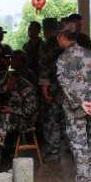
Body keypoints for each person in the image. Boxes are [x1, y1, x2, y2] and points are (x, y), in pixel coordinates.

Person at [56, 29, 91, 182]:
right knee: (90, 139)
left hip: (75, 108)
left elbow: (64, 84)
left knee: (79, 143)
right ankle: (88, 173)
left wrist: (79, 103)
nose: (57, 40)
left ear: (63, 38)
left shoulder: (63, 58)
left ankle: (83, 180)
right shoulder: (90, 54)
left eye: (58, 38)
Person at [38, 17, 64, 161]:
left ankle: (54, 151)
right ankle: (73, 149)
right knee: (66, 119)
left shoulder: (47, 45)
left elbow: (44, 69)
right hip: (67, 89)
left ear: (45, 30)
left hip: (53, 88)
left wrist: (45, 91)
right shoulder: (64, 43)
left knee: (51, 120)